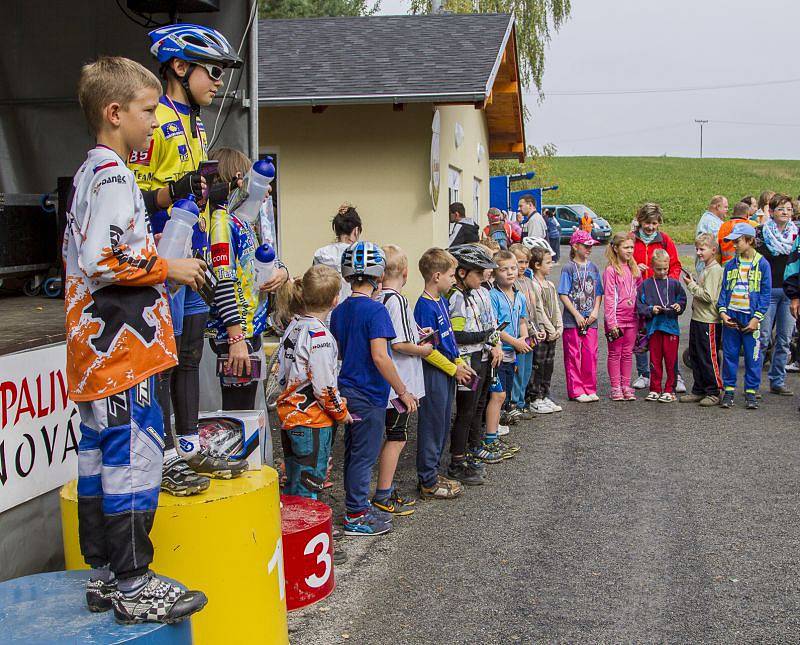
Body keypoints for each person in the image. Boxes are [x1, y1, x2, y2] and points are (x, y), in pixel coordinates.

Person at [68, 57, 208, 624]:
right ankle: (132, 580)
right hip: (120, 352)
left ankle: (105, 574)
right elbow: (101, 256)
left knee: (100, 458)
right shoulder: (114, 174)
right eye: (148, 112)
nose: (155, 123)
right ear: (114, 112)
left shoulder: (90, 172)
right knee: (135, 460)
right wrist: (168, 266)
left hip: (102, 353)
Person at [129, 24, 278, 496]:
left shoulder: (195, 124)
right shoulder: (154, 120)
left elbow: (208, 203)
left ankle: (189, 448)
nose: (219, 82)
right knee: (165, 363)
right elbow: (128, 193)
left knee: (190, 356)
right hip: (160, 257)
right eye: (212, 71)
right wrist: (174, 192)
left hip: (196, 259)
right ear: (179, 67)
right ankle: (161, 456)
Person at [330, 241, 418, 535]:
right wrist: (402, 390)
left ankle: (358, 505)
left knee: (354, 453)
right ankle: (356, 515)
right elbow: (381, 356)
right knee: (364, 455)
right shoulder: (376, 311)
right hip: (369, 393)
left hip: (347, 389)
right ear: (379, 275)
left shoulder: (340, 311)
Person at [204, 149, 278, 435]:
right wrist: (235, 337)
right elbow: (223, 279)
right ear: (239, 180)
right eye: (257, 181)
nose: (265, 190)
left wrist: (279, 272)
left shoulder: (244, 221)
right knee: (235, 418)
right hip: (233, 337)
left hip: (249, 333)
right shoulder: (221, 221)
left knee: (245, 413)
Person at [276, 265, 350, 498]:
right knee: (310, 483)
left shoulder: (293, 327)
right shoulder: (320, 337)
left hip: (289, 416)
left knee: (294, 481)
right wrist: (341, 411)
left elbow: (281, 373)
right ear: (335, 300)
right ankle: (309, 531)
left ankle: (292, 529)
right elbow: (324, 387)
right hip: (312, 421)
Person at [373, 245, 429, 513]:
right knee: (397, 436)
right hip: (399, 385)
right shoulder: (397, 300)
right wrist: (424, 348)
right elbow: (400, 344)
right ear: (406, 273)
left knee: (390, 435)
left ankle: (384, 489)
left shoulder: (376, 298)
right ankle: (384, 492)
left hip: (383, 384)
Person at [414, 248, 475, 499]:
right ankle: (427, 479)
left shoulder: (441, 301)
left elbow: (447, 340)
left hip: (449, 370)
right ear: (437, 276)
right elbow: (427, 350)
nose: (454, 279)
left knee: (441, 425)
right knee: (432, 424)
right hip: (434, 374)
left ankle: (434, 472)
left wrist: (459, 361)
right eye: (451, 275)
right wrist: (453, 368)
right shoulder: (424, 307)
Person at [447, 245, 503, 481]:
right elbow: (456, 335)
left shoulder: (474, 293)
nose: (483, 277)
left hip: (480, 357)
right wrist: (484, 336)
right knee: (465, 411)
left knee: (478, 406)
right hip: (467, 361)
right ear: (462, 273)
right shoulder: (456, 297)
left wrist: (490, 341)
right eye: (478, 273)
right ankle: (457, 460)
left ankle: (471, 448)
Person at [630, 202, 685, 392]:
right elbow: (623, 263)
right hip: (640, 293)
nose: (651, 227)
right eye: (647, 223)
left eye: (654, 223)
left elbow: (675, 264)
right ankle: (644, 373)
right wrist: (635, 269)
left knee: (667, 336)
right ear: (640, 221)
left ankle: (675, 375)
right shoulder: (632, 239)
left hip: (662, 296)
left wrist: (669, 283)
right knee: (642, 334)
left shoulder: (664, 240)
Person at [717, 223, 771, 409]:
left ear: (749, 240)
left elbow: (765, 294)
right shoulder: (731, 264)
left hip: (751, 317)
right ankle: (729, 391)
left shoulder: (762, 264)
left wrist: (757, 318)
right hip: (732, 316)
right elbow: (724, 290)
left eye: (737, 241)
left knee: (752, 357)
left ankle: (751, 392)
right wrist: (723, 313)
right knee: (730, 355)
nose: (734, 245)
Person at [755, 193, 797, 396]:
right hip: (767, 292)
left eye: (789, 209)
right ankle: (753, 383)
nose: (786, 213)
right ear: (771, 212)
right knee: (762, 338)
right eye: (781, 209)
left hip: (789, 293)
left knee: (784, 339)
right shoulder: (761, 233)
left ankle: (777, 380)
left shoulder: (796, 236)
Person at [559, 230, 603, 402]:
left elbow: (598, 292)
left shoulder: (593, 267)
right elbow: (563, 293)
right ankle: (576, 390)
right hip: (572, 320)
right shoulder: (568, 268)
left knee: (590, 354)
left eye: (591, 246)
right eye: (586, 245)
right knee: (573, 355)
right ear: (575, 246)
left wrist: (595, 311)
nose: (589, 249)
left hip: (590, 320)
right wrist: (576, 315)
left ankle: (589, 387)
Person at [679, 233, 724, 406]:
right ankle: (699, 389)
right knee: (696, 355)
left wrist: (691, 285)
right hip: (698, 318)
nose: (698, 252)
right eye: (697, 249)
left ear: (713, 250)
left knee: (708, 357)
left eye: (702, 249)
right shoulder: (705, 268)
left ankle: (713, 390)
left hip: (709, 321)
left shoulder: (715, 270)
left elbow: (709, 297)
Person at [636, 249, 686, 402]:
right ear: (652, 266)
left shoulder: (675, 284)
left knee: (671, 361)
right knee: (655, 360)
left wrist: (678, 306)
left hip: (670, 328)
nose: (662, 272)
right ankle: (655, 388)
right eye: (658, 269)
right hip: (654, 328)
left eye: (665, 268)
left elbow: (682, 300)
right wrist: (651, 309)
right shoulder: (645, 285)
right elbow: (640, 305)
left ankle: (670, 389)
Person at [491, 250, 532, 426]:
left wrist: (525, 338)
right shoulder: (493, 296)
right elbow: (494, 328)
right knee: (496, 391)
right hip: (499, 352)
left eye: (513, 268)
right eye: (504, 269)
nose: (510, 272)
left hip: (513, 352)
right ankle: (494, 423)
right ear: (493, 273)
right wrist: (515, 342)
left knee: (508, 386)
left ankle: (504, 415)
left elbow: (522, 320)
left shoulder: (520, 296)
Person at [603, 233, 641, 401]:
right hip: (616, 320)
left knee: (627, 353)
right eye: (626, 247)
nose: (630, 250)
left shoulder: (634, 269)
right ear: (616, 248)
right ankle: (615, 387)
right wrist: (612, 323)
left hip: (632, 319)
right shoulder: (611, 271)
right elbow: (610, 298)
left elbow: (638, 293)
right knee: (615, 353)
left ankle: (626, 385)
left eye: (631, 247)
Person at [528, 247, 564, 413]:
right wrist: (550, 329)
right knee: (538, 365)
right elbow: (539, 310)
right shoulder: (534, 285)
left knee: (549, 365)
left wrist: (559, 327)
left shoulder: (550, 284)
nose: (551, 265)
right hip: (543, 333)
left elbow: (556, 307)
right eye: (548, 262)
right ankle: (535, 397)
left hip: (553, 333)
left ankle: (545, 393)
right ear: (536, 265)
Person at [509, 244, 544, 416]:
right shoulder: (511, 283)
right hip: (518, 335)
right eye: (519, 262)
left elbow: (535, 308)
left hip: (532, 334)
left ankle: (522, 402)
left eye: (525, 262)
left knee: (527, 370)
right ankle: (515, 403)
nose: (522, 266)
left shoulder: (529, 282)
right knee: (518, 370)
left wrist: (539, 328)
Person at [313, 202, 362, 303]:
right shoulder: (360, 254)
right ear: (356, 231)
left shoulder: (320, 254)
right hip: (352, 312)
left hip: (325, 314)